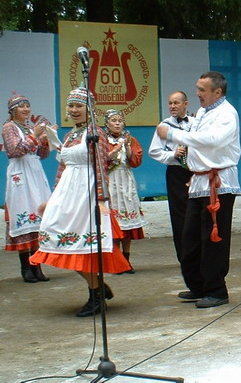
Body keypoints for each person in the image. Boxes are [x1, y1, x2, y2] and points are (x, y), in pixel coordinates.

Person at [30, 86, 130, 317]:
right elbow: (62, 168)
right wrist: (52, 198)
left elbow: (101, 167)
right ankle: (98, 288)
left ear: (90, 109)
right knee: (59, 240)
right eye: (71, 106)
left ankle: (96, 295)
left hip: (87, 193)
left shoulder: (96, 133)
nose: (74, 110)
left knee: (83, 248)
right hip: (68, 192)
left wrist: (102, 199)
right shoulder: (69, 135)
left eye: (79, 106)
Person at [156, 71, 240, 308]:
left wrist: (172, 134)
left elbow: (212, 139)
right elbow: (198, 138)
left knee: (213, 238)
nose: (198, 94)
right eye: (197, 88)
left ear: (217, 92)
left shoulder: (227, 114)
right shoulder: (203, 112)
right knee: (190, 236)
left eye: (202, 90)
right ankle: (198, 285)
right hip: (199, 180)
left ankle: (217, 290)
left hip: (219, 182)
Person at [2, 93, 52, 283]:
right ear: (13, 110)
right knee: (24, 216)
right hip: (20, 175)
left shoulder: (29, 127)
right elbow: (15, 150)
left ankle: (36, 266)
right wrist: (35, 136)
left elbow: (42, 154)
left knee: (38, 217)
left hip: (35, 173)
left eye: (27, 106)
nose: (26, 109)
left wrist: (45, 140)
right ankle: (26, 267)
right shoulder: (8, 127)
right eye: (21, 107)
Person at [149, 91, 194, 263]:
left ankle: (200, 254)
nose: (173, 106)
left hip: (196, 172)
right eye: (170, 103)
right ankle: (184, 257)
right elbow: (154, 151)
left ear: (185, 104)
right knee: (179, 216)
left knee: (198, 212)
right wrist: (172, 154)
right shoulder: (164, 125)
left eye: (176, 103)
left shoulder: (196, 123)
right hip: (176, 174)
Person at [104, 109, 147, 273]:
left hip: (126, 182)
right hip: (110, 182)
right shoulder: (103, 140)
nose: (117, 123)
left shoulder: (131, 139)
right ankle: (115, 262)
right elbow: (100, 160)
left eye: (120, 120)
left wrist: (127, 146)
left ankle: (127, 260)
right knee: (113, 224)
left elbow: (135, 161)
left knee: (127, 224)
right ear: (107, 123)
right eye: (113, 120)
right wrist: (113, 153)